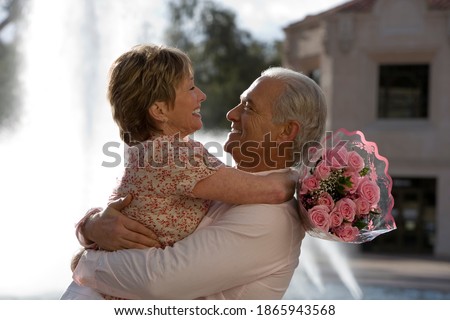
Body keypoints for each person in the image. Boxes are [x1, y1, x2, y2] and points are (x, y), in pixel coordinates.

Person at [62, 66, 327, 300]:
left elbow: (157, 280)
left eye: (248, 108)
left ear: (285, 132)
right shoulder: (219, 182)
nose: (230, 114)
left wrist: (85, 261)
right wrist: (91, 228)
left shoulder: (271, 219)